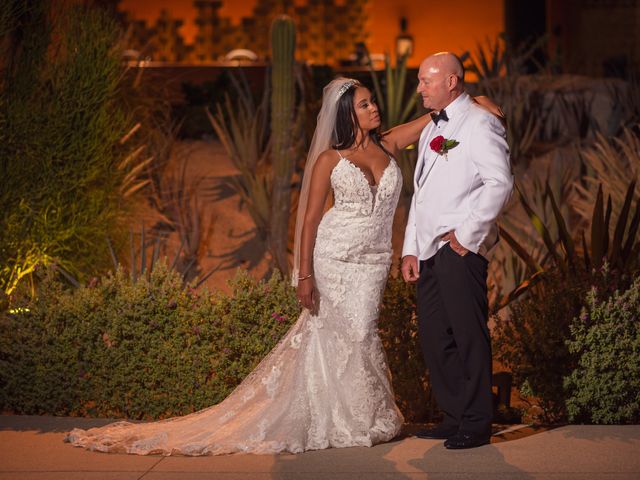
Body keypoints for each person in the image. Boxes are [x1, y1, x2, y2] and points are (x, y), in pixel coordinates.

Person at [65, 77, 501, 456]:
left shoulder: (388, 144)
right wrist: (304, 275)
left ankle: (355, 417)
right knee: (346, 333)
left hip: (371, 262)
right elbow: (309, 220)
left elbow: (438, 119)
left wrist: (473, 101)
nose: (374, 107)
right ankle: (346, 422)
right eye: (365, 104)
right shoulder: (330, 159)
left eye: (372, 101)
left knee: (361, 332)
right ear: (348, 113)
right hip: (333, 256)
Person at [401, 52, 513, 450]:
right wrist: (410, 249)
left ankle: (478, 422)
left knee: (468, 335)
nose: (419, 89)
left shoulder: (481, 123)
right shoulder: (435, 126)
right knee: (434, 337)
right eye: (418, 81)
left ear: (451, 82)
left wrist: (467, 236)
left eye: (425, 81)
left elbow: (499, 182)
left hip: (458, 248)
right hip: (429, 250)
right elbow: (422, 192)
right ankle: (454, 415)